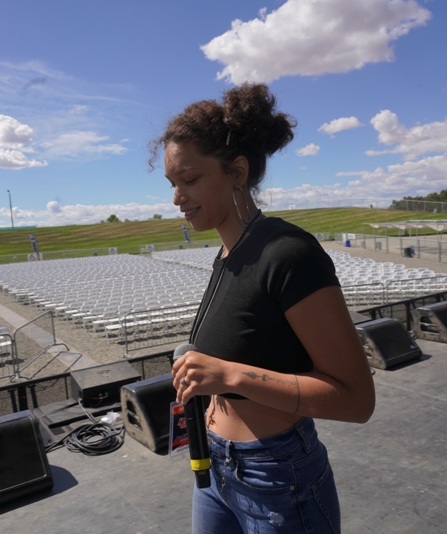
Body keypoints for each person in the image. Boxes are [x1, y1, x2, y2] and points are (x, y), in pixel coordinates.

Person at [152, 84, 375, 533]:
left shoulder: (288, 253)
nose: (177, 197)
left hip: (275, 477)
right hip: (214, 467)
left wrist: (230, 376)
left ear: (237, 172)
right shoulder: (227, 256)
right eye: (172, 184)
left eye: (190, 180)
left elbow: (356, 399)